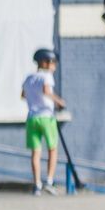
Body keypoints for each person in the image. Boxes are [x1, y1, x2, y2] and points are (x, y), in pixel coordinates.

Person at [22, 48, 67, 195]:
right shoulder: (46, 76)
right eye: (53, 62)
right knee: (52, 149)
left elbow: (23, 95)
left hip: (32, 118)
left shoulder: (29, 78)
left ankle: (37, 185)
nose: (54, 66)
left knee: (36, 152)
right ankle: (49, 181)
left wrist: (33, 98)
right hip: (46, 117)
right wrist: (59, 101)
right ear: (45, 62)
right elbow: (47, 92)